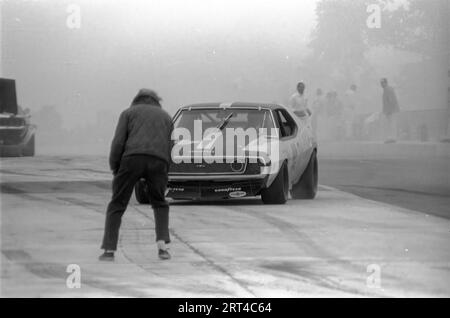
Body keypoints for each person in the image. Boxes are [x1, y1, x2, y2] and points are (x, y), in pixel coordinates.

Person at [99, 89, 173, 261]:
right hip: (158, 161)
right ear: (156, 101)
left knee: (117, 204)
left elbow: (118, 142)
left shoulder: (128, 113)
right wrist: (164, 171)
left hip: (132, 159)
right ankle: (163, 247)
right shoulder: (166, 116)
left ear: (136, 100)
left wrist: (115, 167)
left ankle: (109, 250)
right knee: (160, 203)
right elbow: (170, 146)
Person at [380, 78, 400, 143]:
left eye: (382, 83)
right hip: (390, 110)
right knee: (391, 124)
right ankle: (391, 137)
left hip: (391, 110)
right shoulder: (387, 89)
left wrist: (389, 111)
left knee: (392, 124)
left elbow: (392, 101)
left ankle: (393, 138)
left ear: (386, 83)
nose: (381, 84)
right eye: (381, 83)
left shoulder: (388, 89)